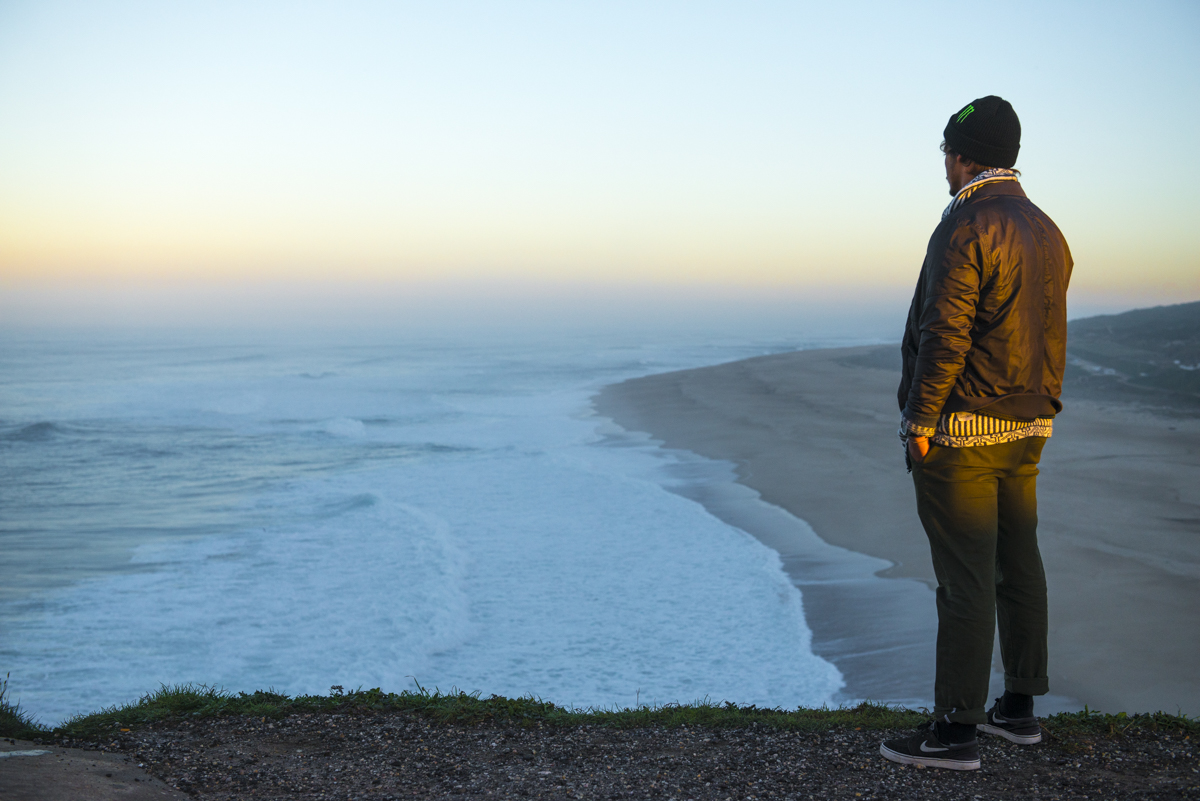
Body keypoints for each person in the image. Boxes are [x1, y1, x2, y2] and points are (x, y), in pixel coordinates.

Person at [879, 95, 1073, 771]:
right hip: (1029, 423)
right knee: (1019, 562)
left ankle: (954, 731)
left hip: (963, 429)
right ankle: (1018, 708)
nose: (944, 164)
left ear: (963, 156)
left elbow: (945, 332)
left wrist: (921, 421)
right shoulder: (1048, 229)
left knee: (964, 578)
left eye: (946, 152)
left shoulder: (965, 225)